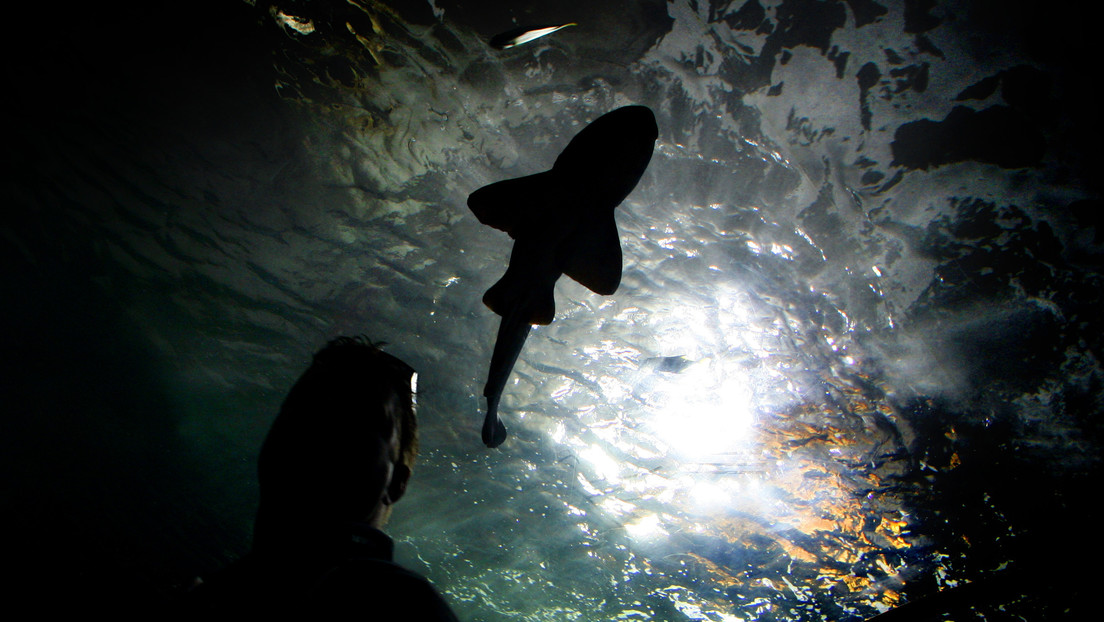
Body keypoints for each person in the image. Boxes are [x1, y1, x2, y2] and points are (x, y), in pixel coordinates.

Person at [185, 336, 459, 619]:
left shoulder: (406, 607)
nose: (321, 424)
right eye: (306, 403)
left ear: (397, 482)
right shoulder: (217, 593)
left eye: (359, 417)